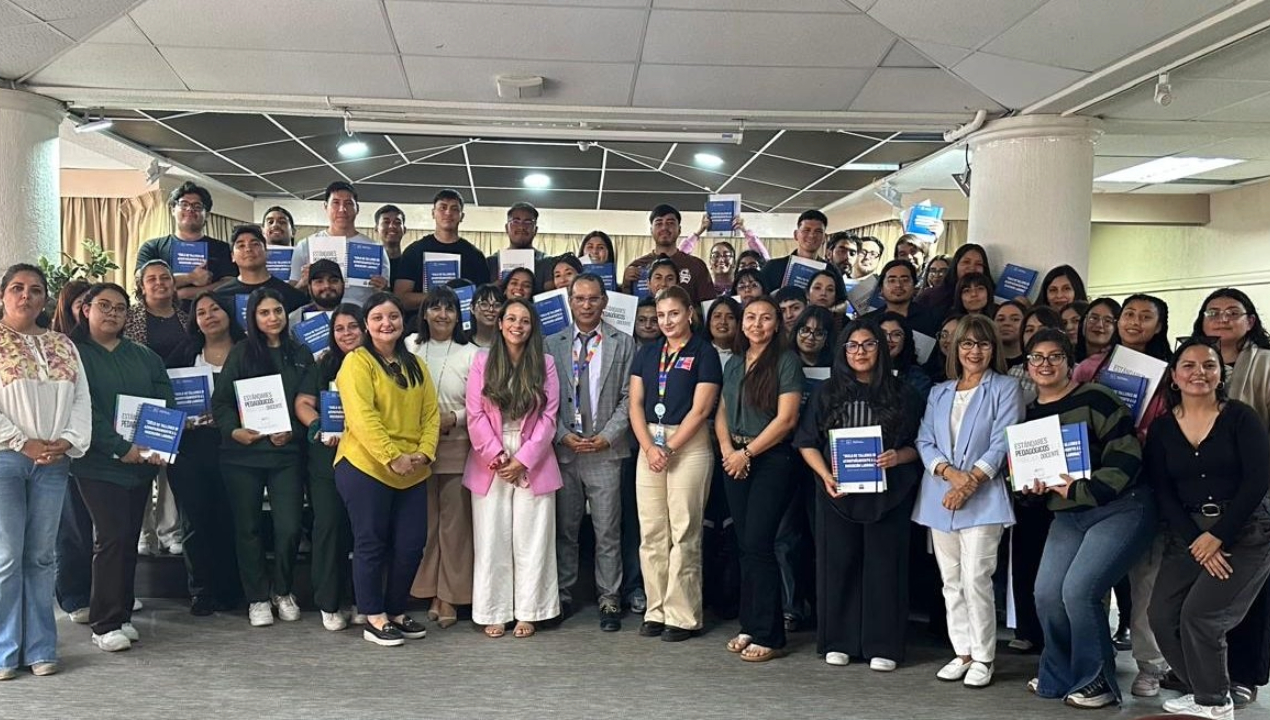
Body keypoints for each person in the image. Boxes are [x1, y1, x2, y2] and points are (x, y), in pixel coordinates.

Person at [1020, 329, 1154, 709]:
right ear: (1027, 366)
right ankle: (1059, 675)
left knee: (1079, 591)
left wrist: (1082, 489)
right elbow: (1027, 483)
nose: (1045, 364)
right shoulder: (1029, 415)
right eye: (1037, 357)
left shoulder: (1096, 397)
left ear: (1070, 363)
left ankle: (1098, 682)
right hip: (1068, 516)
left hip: (1121, 508)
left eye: (1055, 356)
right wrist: (1030, 489)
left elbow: (1127, 456)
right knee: (1047, 594)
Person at [1148, 337, 1270, 720]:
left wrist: (1219, 536)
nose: (1198, 372)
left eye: (1209, 365)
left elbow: (1258, 480)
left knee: (1201, 615)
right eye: (1188, 365)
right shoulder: (1162, 429)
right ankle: (1205, 690)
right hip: (1189, 533)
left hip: (1245, 530)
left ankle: (1214, 702)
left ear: (1221, 374)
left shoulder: (1241, 418)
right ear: (1174, 376)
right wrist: (1197, 539)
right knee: (1161, 616)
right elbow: (1162, 491)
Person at [795, 318, 924, 671]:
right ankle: (839, 640)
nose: (860, 352)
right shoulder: (826, 392)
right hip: (836, 493)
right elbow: (806, 442)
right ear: (842, 351)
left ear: (881, 349)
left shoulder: (904, 394)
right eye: (852, 345)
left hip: (889, 493)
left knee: (885, 567)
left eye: (869, 344)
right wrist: (825, 476)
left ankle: (884, 645)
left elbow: (921, 445)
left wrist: (898, 457)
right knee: (838, 565)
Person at [913, 313, 1024, 688]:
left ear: (993, 349)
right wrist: (950, 474)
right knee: (951, 581)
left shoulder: (1005, 388)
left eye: (983, 344)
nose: (974, 351)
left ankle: (983, 656)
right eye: (967, 343)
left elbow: (1004, 439)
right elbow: (924, 440)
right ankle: (961, 651)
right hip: (939, 496)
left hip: (984, 497)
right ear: (955, 348)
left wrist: (971, 481)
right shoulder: (939, 391)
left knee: (977, 578)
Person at [1073, 293, 1174, 698]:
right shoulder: (1091, 368)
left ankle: (1151, 666)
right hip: (1098, 486)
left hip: (1147, 485)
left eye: (1145, 316)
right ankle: (1092, 664)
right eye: (1128, 314)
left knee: (1146, 582)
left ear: (1159, 326)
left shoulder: (1171, 375)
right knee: (1090, 582)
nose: (1134, 322)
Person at [71, 282, 174, 652]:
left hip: (140, 465)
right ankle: (105, 623)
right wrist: (119, 447)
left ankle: (123, 612)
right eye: (104, 305)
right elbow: (82, 410)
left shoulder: (145, 356)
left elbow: (164, 398)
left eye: (120, 308)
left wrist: (160, 444)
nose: (112, 313)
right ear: (86, 310)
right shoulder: (73, 355)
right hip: (97, 464)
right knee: (111, 537)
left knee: (128, 539)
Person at [333, 293, 439, 646]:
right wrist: (392, 456)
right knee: (371, 542)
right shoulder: (357, 362)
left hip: (413, 468)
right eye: (377, 317)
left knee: (411, 544)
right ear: (366, 325)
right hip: (366, 466)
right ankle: (373, 615)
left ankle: (395, 610)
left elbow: (431, 413)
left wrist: (424, 453)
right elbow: (362, 417)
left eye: (393, 316)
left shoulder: (416, 364)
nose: (386, 323)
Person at [0, 264, 90, 678]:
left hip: (54, 462)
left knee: (40, 557)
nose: (26, 296)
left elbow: (81, 399)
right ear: (3, 296)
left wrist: (68, 440)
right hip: (6, 458)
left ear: (45, 299)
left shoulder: (62, 344)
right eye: (17, 288)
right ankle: (5, 650)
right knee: (7, 557)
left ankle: (40, 647)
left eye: (35, 289)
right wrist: (22, 442)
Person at [212, 288, 314, 628]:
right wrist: (234, 431)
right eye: (264, 312)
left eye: (278, 311)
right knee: (249, 529)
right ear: (253, 318)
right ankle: (257, 597)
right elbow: (221, 402)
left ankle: (282, 590)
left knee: (289, 527)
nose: (273, 318)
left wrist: (293, 433)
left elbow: (307, 403)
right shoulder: (241, 352)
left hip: (286, 454)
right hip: (242, 455)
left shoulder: (300, 353)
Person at [465, 299, 562, 638]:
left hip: (534, 457)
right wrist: (498, 456)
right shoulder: (482, 361)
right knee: (491, 538)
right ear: (500, 323)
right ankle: (494, 611)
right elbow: (475, 414)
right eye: (511, 318)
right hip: (490, 458)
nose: (516, 325)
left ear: (532, 326)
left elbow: (549, 417)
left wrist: (523, 460)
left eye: (524, 320)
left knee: (532, 538)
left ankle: (530, 611)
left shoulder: (546, 363)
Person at [629, 285, 722, 641]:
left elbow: (701, 409)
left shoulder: (704, 352)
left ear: (689, 314)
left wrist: (667, 449)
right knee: (652, 531)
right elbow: (635, 404)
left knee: (684, 530)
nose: (667, 321)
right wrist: (649, 447)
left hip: (688, 442)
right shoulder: (648, 352)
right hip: (649, 443)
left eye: (674, 313)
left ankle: (682, 615)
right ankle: (655, 610)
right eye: (661, 315)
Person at [1192, 288, 1270, 708]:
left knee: (1248, 594)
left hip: (1256, 492)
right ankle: (1201, 671)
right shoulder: (1191, 362)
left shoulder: (1265, 364)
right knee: (1205, 590)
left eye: (1232, 312)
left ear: (1250, 321)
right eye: (1213, 312)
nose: (1222, 319)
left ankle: (1243, 675)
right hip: (1203, 494)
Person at [546, 273, 636, 631]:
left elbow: (630, 397)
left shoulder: (623, 343)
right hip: (565, 451)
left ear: (605, 301)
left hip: (605, 452)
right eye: (579, 299)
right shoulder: (552, 343)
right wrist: (562, 435)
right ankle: (564, 593)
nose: (586, 305)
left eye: (593, 298)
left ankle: (609, 597)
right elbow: (544, 398)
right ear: (570, 301)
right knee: (565, 530)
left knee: (607, 531)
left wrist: (608, 436)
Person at [715, 296, 802, 662]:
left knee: (760, 543)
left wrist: (746, 454)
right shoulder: (735, 361)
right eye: (750, 317)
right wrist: (727, 450)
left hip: (771, 459)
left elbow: (787, 420)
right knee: (744, 543)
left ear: (777, 323)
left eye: (765, 318)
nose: (756, 324)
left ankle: (770, 635)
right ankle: (750, 624)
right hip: (734, 457)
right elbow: (721, 409)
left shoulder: (786, 361)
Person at [164, 292, 244, 616]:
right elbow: (165, 396)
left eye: (215, 309)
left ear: (228, 314)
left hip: (235, 448)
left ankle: (231, 590)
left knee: (231, 519)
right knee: (195, 522)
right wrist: (183, 420)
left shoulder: (247, 351)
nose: (209, 316)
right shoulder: (184, 354)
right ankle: (201, 591)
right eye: (201, 312)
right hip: (191, 449)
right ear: (195, 321)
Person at [405, 287, 480, 629]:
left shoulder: (473, 353)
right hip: (415, 446)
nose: (442, 315)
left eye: (449, 309)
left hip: (456, 442)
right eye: (435, 308)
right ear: (424, 313)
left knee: (455, 525)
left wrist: (455, 418)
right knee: (427, 524)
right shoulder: (410, 346)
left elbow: (481, 405)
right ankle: (430, 590)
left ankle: (450, 595)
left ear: (458, 315)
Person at [294, 304, 363, 631]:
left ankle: (364, 600)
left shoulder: (379, 362)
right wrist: (320, 426)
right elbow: (303, 403)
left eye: (353, 327)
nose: (346, 334)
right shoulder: (323, 364)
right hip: (328, 457)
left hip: (370, 458)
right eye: (339, 328)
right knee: (330, 526)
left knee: (366, 531)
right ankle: (329, 602)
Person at [125, 260, 189, 558]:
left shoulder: (186, 318)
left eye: (165, 277)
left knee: (169, 470)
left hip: (176, 400)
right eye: (151, 279)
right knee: (142, 468)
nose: (159, 283)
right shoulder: (129, 317)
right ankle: (144, 533)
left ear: (174, 284)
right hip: (140, 400)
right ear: (141, 286)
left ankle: (170, 532)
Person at [50, 279, 93, 624]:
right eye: (82, 304)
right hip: (66, 445)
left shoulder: (108, 345)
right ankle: (74, 595)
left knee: (105, 527)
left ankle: (106, 591)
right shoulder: (56, 346)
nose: (89, 311)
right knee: (73, 526)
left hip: (103, 446)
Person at [289, 182, 391, 306]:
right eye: (336, 203)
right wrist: (303, 282)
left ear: (357, 208)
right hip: (320, 315)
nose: (342, 209)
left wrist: (383, 289)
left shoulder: (375, 250)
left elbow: (385, 297)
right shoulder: (306, 246)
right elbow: (292, 296)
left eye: (348, 203)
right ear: (325, 206)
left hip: (361, 314)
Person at [135, 181, 235, 305]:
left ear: (207, 215)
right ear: (173, 210)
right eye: (184, 204)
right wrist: (190, 278)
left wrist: (185, 293)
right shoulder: (152, 247)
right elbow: (140, 281)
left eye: (197, 206)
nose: (190, 209)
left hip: (208, 314)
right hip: (162, 313)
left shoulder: (222, 248)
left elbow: (229, 283)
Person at [395, 189, 490, 312]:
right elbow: (401, 298)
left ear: (461, 216)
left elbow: (484, 300)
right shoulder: (414, 251)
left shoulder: (475, 255)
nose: (448, 213)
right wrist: (441, 296)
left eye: (454, 209)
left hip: (463, 323)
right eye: (443, 208)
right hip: (420, 322)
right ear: (433, 213)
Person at [621, 205, 714, 303]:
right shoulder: (636, 266)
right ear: (651, 230)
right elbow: (625, 306)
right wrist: (626, 283)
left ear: (679, 229)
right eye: (659, 223)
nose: (664, 227)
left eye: (670, 223)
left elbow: (708, 307)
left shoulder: (697, 266)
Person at [220, 224, 309, 314]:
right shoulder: (221, 296)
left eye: (255, 244)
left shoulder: (291, 295)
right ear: (232, 256)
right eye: (241, 246)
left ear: (267, 252)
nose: (248, 249)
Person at [485, 202, 553, 292]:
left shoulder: (548, 263)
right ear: (506, 228)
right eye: (515, 221)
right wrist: (492, 290)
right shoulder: (490, 263)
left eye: (528, 222)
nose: (521, 227)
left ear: (535, 230)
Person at [759, 210, 829, 293]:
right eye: (806, 230)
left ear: (825, 238)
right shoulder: (772, 267)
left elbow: (841, 299)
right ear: (796, 235)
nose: (812, 235)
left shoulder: (830, 270)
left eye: (818, 231)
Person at [917, 244, 993, 320]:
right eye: (966, 262)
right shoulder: (931, 297)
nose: (972, 268)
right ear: (955, 265)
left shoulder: (993, 298)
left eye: (978, 264)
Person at [1008, 305, 1063, 406]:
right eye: (1029, 330)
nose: (1035, 335)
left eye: (1042, 329)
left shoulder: (1077, 372)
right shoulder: (1013, 373)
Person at [875, 259, 939, 338]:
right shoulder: (869, 321)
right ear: (881, 288)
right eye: (892, 280)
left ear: (914, 286)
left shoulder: (932, 319)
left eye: (905, 280)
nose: (898, 285)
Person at [880, 311, 933, 398]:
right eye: (882, 333)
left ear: (906, 340)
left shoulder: (917, 378)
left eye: (896, 334)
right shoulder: (860, 369)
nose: (888, 339)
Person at [287, 259, 345, 329]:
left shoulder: (355, 314)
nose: (327, 286)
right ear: (309, 287)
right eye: (319, 281)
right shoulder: (294, 320)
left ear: (343, 284)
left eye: (333, 281)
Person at [845, 236, 884, 313]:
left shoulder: (883, 288)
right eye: (863, 252)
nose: (867, 257)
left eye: (873, 254)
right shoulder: (838, 281)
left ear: (878, 259)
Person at [373, 204, 407, 286]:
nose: (392, 226)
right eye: (386, 222)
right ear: (376, 228)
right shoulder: (371, 263)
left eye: (397, 222)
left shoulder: (411, 263)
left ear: (404, 230)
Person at [706, 297, 741, 368]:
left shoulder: (748, 356)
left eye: (730, 317)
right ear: (709, 321)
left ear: (739, 323)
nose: (723, 322)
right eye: (717, 316)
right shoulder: (698, 353)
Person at [470, 284, 505, 349]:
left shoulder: (509, 344)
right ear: (472, 308)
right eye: (484, 304)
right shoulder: (463, 344)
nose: (491, 310)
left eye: (497, 305)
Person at [995, 300, 1027, 368]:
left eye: (1015, 319)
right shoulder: (985, 360)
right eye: (1001, 319)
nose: (1006, 323)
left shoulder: (1033, 362)